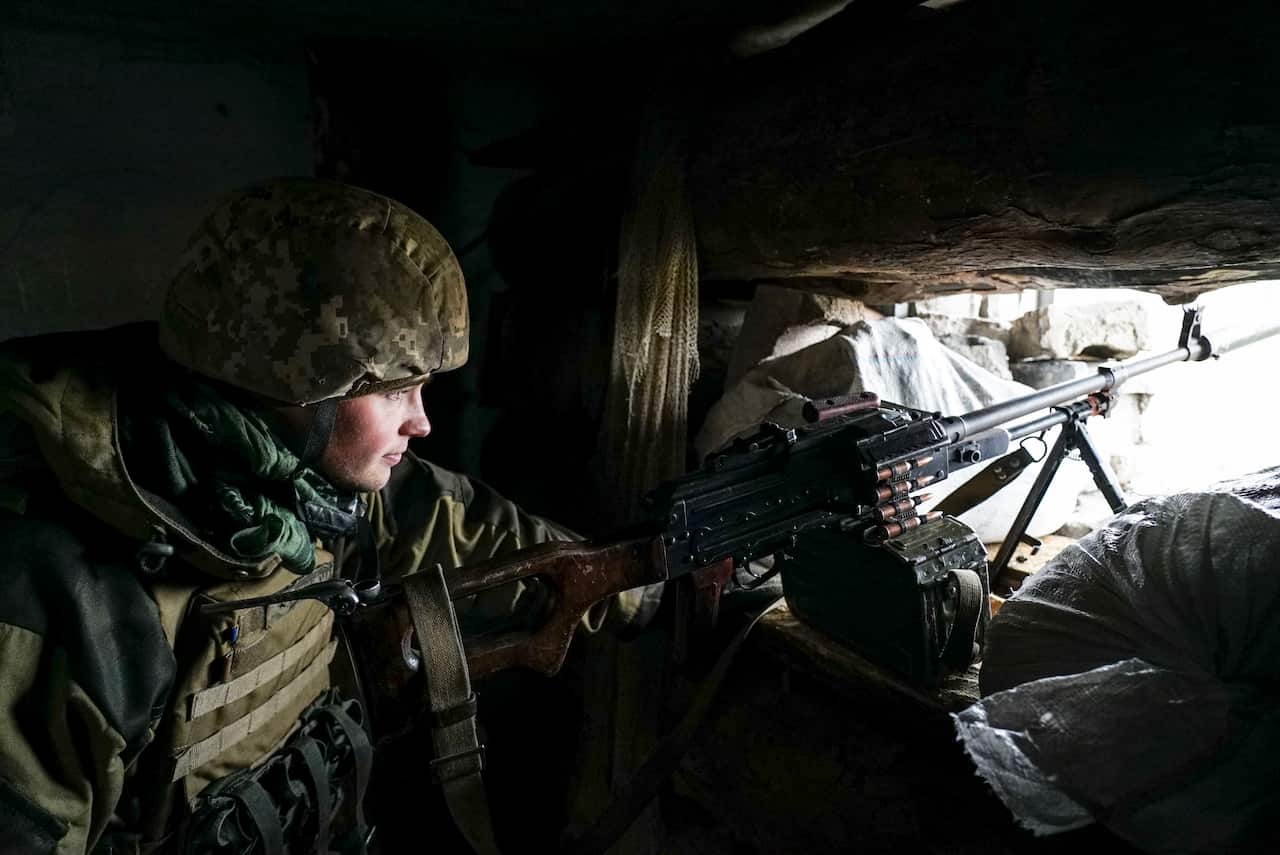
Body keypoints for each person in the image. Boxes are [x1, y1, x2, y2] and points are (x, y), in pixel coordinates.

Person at [0, 178, 643, 854]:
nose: (421, 421)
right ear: (294, 383)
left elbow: (465, 524)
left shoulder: (300, 482)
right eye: (397, 389)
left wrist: (646, 576)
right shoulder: (60, 595)